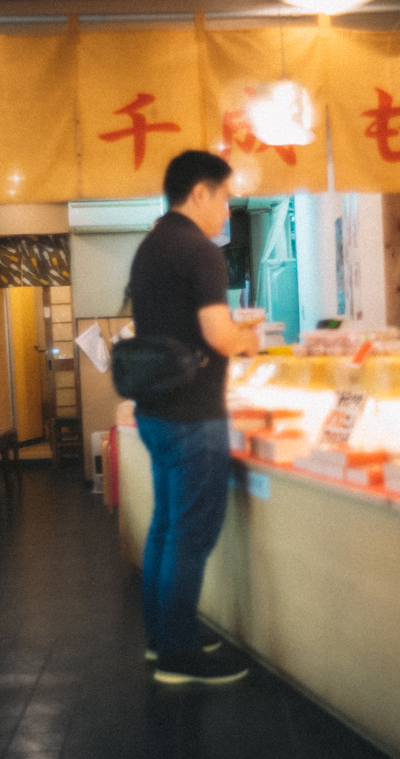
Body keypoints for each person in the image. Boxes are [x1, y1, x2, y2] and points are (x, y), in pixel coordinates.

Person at [127, 150, 259, 686]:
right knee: (191, 534)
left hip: (156, 411)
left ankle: (164, 639)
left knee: (165, 527)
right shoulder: (201, 252)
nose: (228, 211)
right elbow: (217, 334)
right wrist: (251, 338)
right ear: (200, 192)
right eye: (225, 197)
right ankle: (181, 654)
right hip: (194, 416)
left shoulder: (152, 246)